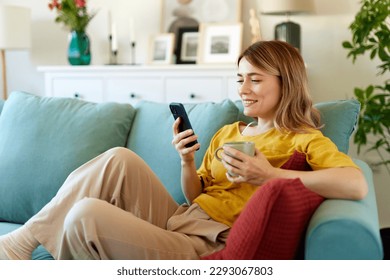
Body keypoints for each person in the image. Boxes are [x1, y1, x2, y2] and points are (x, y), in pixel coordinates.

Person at [0, 40, 368, 260]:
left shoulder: (302, 138)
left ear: (286, 83)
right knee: (118, 158)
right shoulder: (230, 132)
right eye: (240, 79)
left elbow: (356, 185)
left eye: (256, 79)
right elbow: (197, 193)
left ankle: (26, 245)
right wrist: (186, 160)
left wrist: (268, 174)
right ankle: (25, 240)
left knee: (86, 216)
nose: (244, 89)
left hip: (208, 241)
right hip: (184, 216)